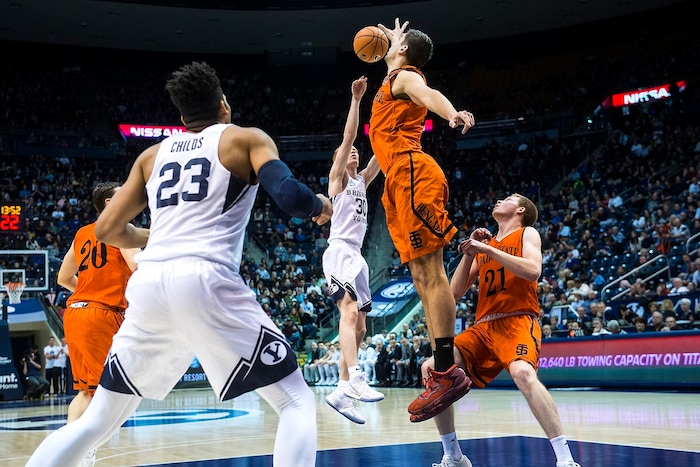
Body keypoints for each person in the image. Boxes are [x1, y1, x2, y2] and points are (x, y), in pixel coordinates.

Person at [26, 61, 330, 467]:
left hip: (150, 285)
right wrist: (321, 205)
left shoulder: (152, 155)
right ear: (224, 105)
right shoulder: (245, 139)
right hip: (204, 277)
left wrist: (157, 237)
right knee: (295, 400)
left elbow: (107, 229)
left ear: (182, 116)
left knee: (97, 419)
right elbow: (291, 198)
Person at [423, 194, 580, 467]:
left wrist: (489, 250)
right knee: (432, 367)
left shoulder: (527, 233)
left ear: (520, 210)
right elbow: (455, 291)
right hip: (483, 327)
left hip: (518, 320)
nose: (498, 200)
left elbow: (533, 270)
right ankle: (453, 455)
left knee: (523, 373)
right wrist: (471, 253)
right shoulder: (487, 246)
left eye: (507, 199)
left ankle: (565, 459)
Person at [369, 18, 475, 421]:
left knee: (432, 274)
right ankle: (441, 368)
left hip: (413, 172)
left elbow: (427, 93)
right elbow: (397, 60)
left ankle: (447, 369)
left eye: (394, 45)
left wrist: (451, 113)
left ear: (402, 53)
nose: (387, 47)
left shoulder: (406, 77)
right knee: (420, 278)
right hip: (396, 180)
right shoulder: (391, 80)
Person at [55, 182, 140, 466]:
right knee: (103, 391)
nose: (130, 196)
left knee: (86, 390)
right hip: (101, 314)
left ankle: (72, 451)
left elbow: (64, 278)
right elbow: (138, 266)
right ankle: (80, 451)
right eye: (122, 194)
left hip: (77, 312)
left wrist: (89, 291)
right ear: (107, 203)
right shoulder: (119, 229)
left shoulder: (82, 234)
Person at [323, 76, 384, 425]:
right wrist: (357, 99)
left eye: (355, 154)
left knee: (360, 329)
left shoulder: (362, 179)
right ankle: (357, 377)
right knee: (347, 315)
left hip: (356, 256)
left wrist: (396, 117)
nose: (354, 153)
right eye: (347, 153)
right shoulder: (339, 180)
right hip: (340, 251)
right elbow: (349, 138)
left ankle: (342, 390)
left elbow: (381, 152)